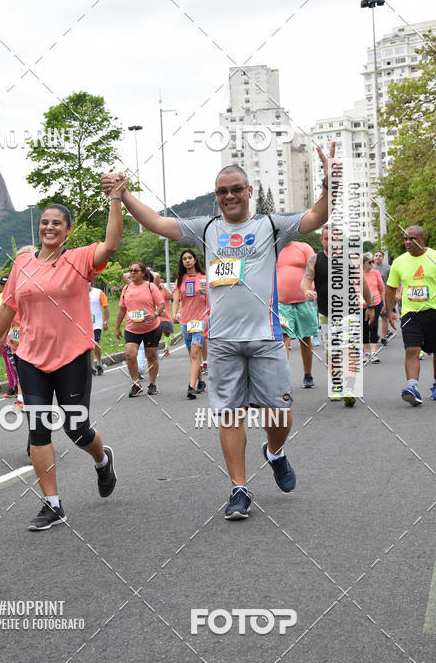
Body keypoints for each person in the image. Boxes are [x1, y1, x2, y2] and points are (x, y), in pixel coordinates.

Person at [104, 143, 338, 520]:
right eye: (222, 191)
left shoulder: (270, 225)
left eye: (236, 189)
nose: (229, 196)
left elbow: (315, 217)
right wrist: (125, 195)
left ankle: (274, 453)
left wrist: (330, 184)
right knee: (230, 414)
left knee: (279, 414)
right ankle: (239, 489)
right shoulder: (206, 228)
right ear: (216, 197)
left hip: (265, 337)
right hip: (224, 342)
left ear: (248, 192)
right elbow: (158, 223)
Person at [0, 184, 123, 530]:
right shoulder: (22, 264)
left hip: (72, 354)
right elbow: (9, 307)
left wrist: (116, 200)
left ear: (68, 230)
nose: (49, 227)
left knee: (76, 429)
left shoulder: (78, 259)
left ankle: (103, 460)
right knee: (38, 430)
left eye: (57, 223)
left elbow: (111, 244)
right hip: (30, 357)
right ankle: (53, 504)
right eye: (45, 222)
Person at [301, 227, 374, 405]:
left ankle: (349, 388)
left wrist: (370, 305)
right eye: (327, 239)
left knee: (349, 349)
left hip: (349, 312)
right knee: (331, 351)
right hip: (326, 314)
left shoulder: (352, 258)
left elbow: (363, 282)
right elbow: (306, 280)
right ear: (322, 240)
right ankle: (336, 385)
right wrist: (306, 291)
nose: (330, 242)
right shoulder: (314, 260)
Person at [384, 225, 436, 406]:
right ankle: (412, 387)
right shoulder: (399, 262)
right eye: (405, 238)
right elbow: (390, 288)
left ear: (422, 239)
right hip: (410, 314)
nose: (407, 242)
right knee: (411, 350)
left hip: (434, 311)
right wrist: (389, 311)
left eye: (412, 239)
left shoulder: (434, 257)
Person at [116, 262, 165, 397]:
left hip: (151, 328)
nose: (132, 273)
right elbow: (121, 309)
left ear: (143, 273)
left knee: (151, 356)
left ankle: (152, 384)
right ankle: (136, 383)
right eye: (131, 270)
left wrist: (155, 314)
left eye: (136, 271)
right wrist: (117, 328)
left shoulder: (150, 287)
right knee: (130, 355)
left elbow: (161, 305)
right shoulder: (126, 289)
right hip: (132, 328)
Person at [276, 240, 318, 388]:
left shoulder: (304, 247)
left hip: (304, 300)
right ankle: (283, 377)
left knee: (305, 338)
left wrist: (312, 289)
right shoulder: (274, 248)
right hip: (281, 303)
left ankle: (308, 374)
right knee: (283, 338)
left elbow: (314, 270)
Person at [173, 249, 208, 399]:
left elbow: (211, 299)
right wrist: (174, 313)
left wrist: (206, 293)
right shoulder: (180, 280)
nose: (187, 260)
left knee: (195, 353)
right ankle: (201, 381)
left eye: (189, 258)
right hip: (185, 321)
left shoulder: (204, 278)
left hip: (201, 321)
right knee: (192, 355)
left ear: (195, 260)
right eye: (184, 259)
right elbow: (176, 299)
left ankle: (191, 387)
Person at [362, 253, 385, 364]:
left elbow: (381, 289)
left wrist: (384, 304)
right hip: (361, 305)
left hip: (375, 303)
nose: (372, 264)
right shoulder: (357, 274)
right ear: (363, 264)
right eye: (369, 262)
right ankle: (365, 353)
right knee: (364, 328)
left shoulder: (376, 273)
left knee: (373, 326)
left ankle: (374, 353)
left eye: (372, 262)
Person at [89, 283, 109, 375]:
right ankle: (92, 366)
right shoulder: (80, 293)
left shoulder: (98, 292)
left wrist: (105, 322)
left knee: (95, 344)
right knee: (89, 346)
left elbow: (106, 306)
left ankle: (99, 362)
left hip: (96, 323)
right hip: (85, 324)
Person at [372, 250, 392, 345]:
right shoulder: (369, 268)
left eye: (380, 256)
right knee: (373, 318)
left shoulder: (388, 268)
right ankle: (374, 335)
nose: (378, 257)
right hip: (372, 296)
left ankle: (383, 337)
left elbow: (391, 282)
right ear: (373, 257)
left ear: (383, 258)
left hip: (384, 295)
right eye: (376, 255)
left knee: (384, 317)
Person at [158, 278, 174, 357]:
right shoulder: (152, 290)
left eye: (162, 282)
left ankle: (166, 348)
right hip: (155, 317)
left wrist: (164, 288)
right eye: (159, 282)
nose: (161, 283)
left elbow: (171, 296)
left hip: (165, 317)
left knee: (167, 333)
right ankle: (155, 351)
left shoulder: (165, 290)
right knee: (155, 335)